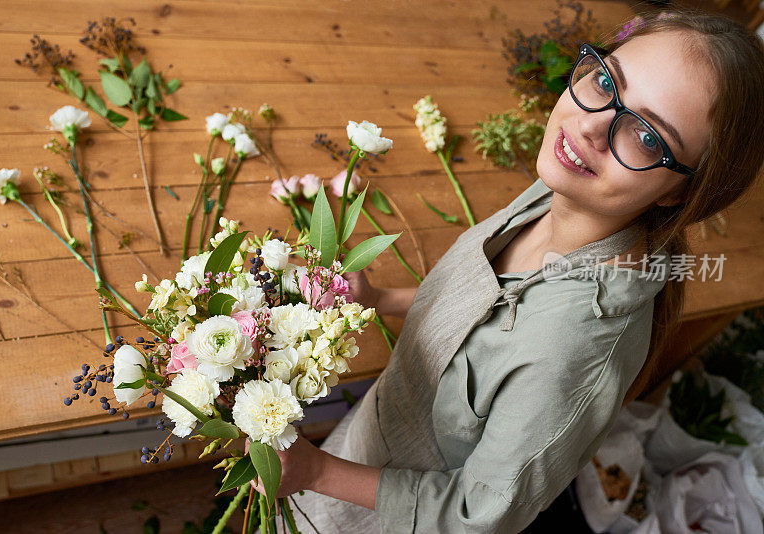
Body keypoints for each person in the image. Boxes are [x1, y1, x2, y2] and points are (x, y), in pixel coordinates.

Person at [250, 9, 764, 533]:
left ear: (681, 192)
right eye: (606, 81)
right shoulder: (564, 187)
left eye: (647, 137)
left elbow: (476, 515)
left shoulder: (575, 346)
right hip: (367, 436)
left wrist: (315, 472)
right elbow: (477, 308)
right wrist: (380, 297)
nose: (588, 126)